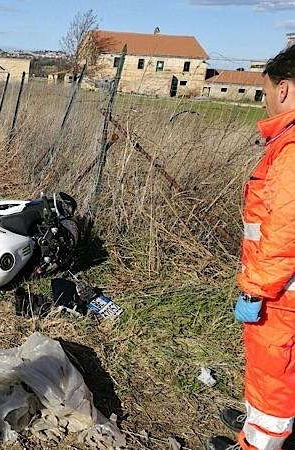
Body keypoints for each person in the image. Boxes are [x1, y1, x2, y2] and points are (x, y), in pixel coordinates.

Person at [207, 45, 295, 450]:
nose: (265, 101)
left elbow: (284, 236)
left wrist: (254, 288)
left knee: (272, 377)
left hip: (281, 297)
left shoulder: (292, 153)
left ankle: (257, 443)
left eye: (266, 91)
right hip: (282, 292)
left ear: (285, 90)